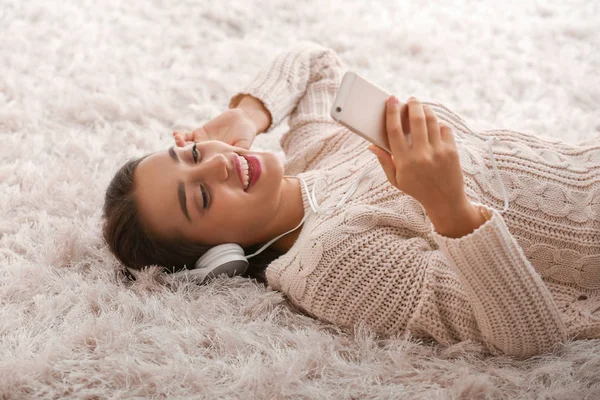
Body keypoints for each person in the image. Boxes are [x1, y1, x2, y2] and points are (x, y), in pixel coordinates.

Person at [102, 42, 600, 358]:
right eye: (203, 196)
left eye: (191, 152)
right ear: (220, 256)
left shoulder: (315, 149)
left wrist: (248, 115)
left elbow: (315, 63)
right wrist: (450, 209)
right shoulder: (329, 264)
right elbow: (528, 334)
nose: (217, 163)